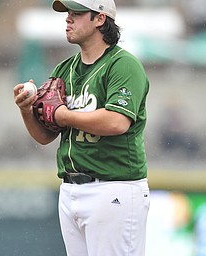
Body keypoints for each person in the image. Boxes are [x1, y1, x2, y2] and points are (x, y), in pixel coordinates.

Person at [14, 0, 150, 255]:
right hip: (70, 189)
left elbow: (117, 121)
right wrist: (26, 110)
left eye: (76, 13)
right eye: (68, 13)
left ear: (99, 19)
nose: (68, 19)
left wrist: (64, 115)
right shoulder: (64, 69)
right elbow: (45, 136)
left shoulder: (122, 64)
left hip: (113, 188)